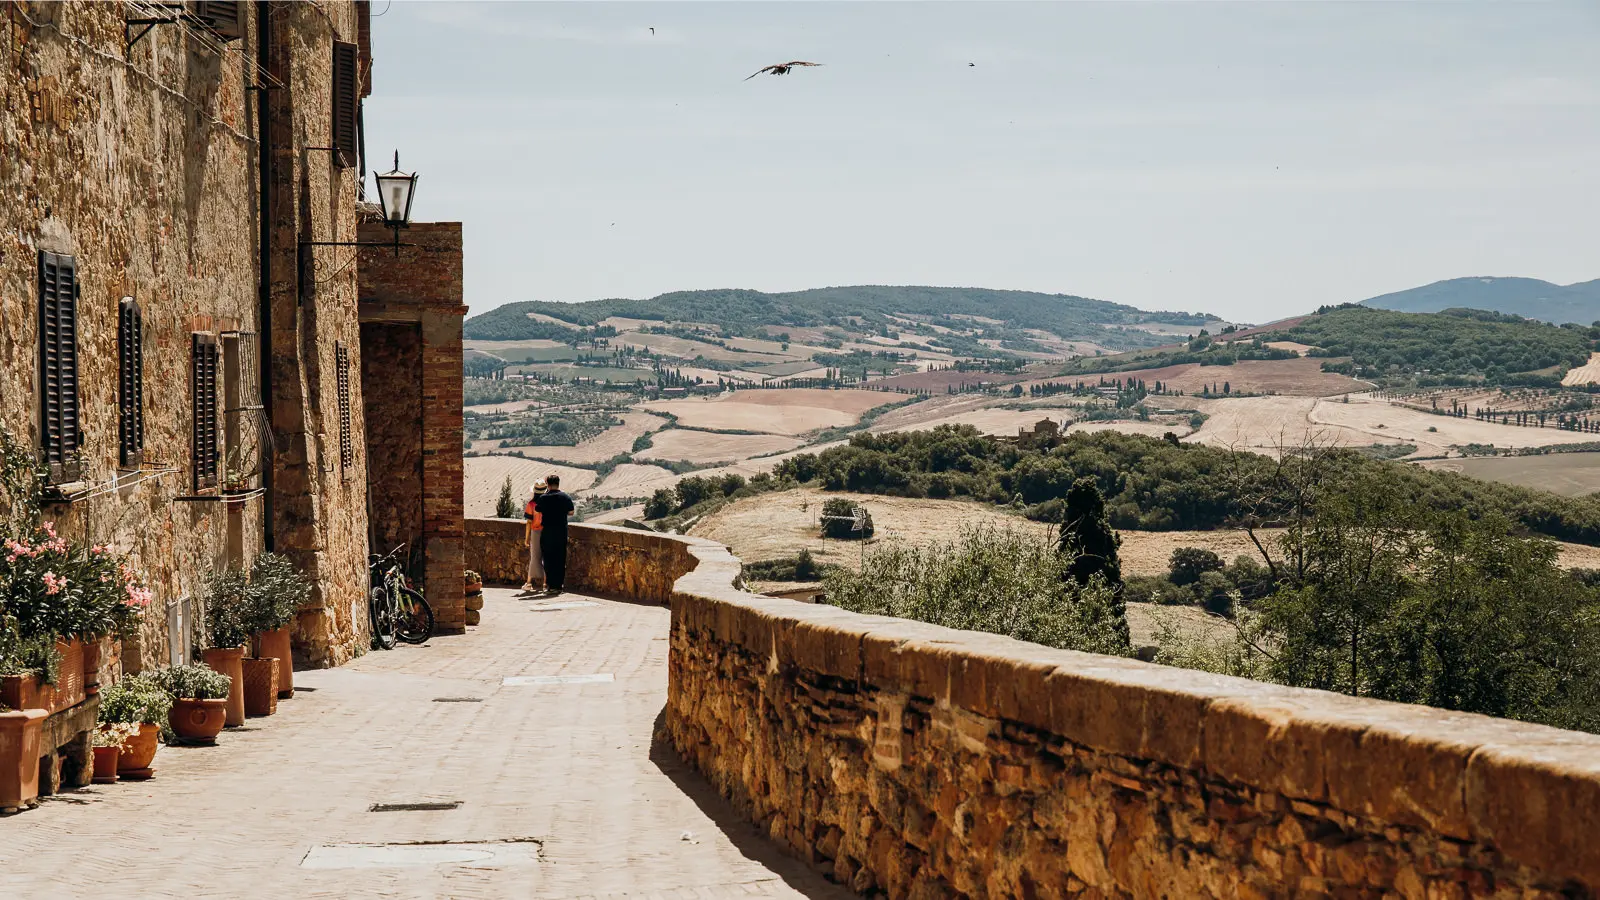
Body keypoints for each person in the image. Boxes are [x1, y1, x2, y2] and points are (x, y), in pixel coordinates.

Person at [532, 473, 576, 594]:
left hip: (547, 532)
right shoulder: (565, 497)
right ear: (558, 483)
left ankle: (550, 585)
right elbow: (571, 512)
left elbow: (537, 509)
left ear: (548, 484)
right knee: (560, 558)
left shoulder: (544, 498)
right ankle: (558, 585)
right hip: (561, 531)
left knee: (548, 558)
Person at [522, 480, 547, 592]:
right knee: (546, 557)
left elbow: (529, 522)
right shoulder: (548, 503)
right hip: (547, 531)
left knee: (534, 557)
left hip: (536, 532)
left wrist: (527, 538)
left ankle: (529, 583)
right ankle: (545, 584)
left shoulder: (531, 504)